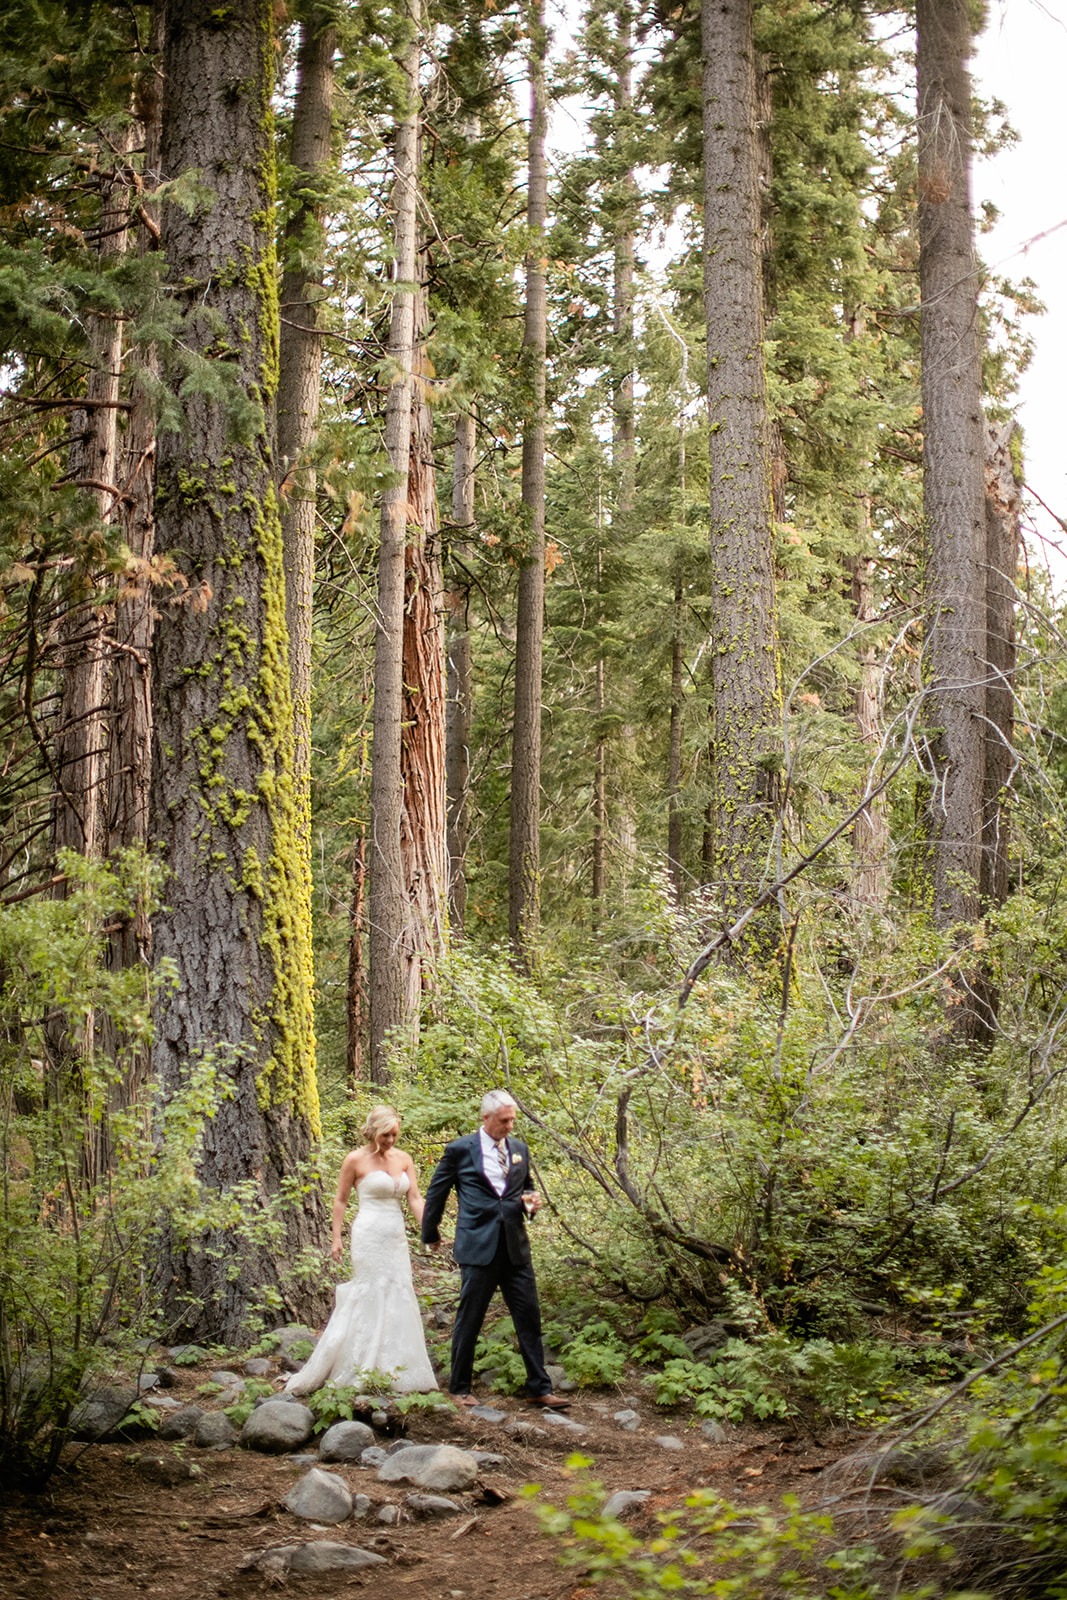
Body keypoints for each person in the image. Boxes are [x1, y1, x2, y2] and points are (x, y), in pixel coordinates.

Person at [421, 1089, 570, 1409]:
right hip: (478, 1246)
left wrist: (532, 1206)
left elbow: (526, 1189)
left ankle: (538, 1387)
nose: (510, 1126)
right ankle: (460, 1388)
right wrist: (430, 1233)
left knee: (529, 1316)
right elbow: (437, 1192)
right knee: (470, 1318)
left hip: (515, 1247)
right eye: (504, 1120)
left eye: (513, 1119)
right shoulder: (460, 1150)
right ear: (486, 1118)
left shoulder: (519, 1149)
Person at [285, 1105, 438, 1395]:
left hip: (395, 1236)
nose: (390, 1140)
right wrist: (336, 1238)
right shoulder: (355, 1159)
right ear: (372, 1131)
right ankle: (360, 1365)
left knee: (399, 1290)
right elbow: (340, 1200)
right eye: (385, 1135)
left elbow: (415, 1198)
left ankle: (398, 1368)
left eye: (394, 1135)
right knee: (369, 1292)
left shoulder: (404, 1159)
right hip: (368, 1234)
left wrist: (428, 1230)